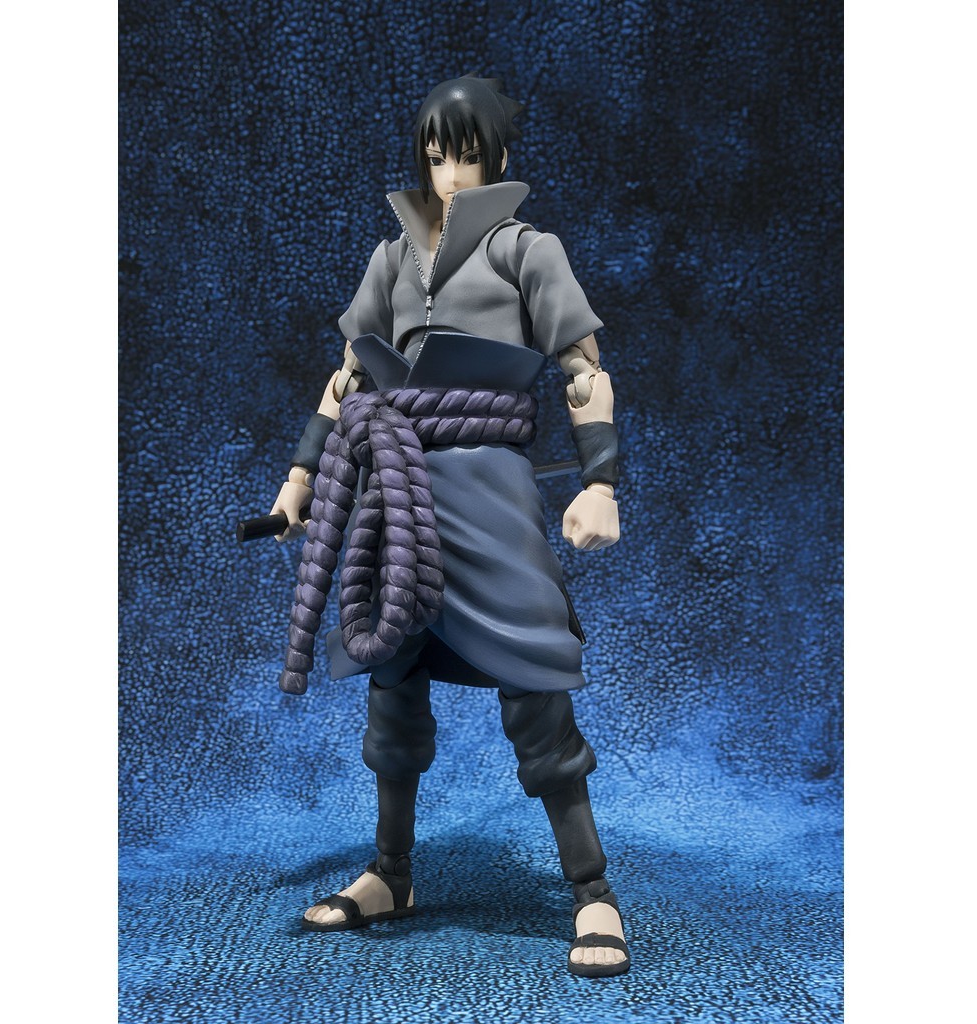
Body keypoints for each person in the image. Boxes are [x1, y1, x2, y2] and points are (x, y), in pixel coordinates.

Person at [269, 75, 629, 978]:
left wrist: (601, 483)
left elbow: (583, 372)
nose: (451, 174)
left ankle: (592, 891)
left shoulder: (527, 252)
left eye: (467, 155)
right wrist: (300, 476)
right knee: (391, 676)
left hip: (489, 493)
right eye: (437, 156)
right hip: (397, 489)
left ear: (498, 157)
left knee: (535, 683)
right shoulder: (393, 258)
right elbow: (349, 378)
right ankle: (392, 874)